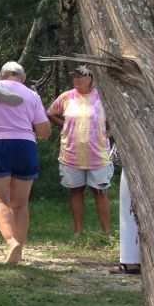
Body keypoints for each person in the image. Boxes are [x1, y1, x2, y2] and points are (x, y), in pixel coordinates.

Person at [0, 62, 51, 265]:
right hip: (25, 145)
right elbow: (44, 132)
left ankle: (11, 241)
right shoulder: (32, 96)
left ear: (2, 75)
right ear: (22, 78)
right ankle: (19, 251)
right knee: (21, 204)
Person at [46, 65, 113, 238]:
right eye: (74, 77)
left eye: (80, 77)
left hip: (97, 153)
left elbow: (120, 116)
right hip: (72, 153)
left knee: (100, 192)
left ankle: (107, 232)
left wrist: (110, 132)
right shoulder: (67, 97)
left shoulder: (103, 96)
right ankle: (78, 230)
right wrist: (64, 125)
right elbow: (51, 112)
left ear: (90, 78)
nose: (76, 80)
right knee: (76, 190)